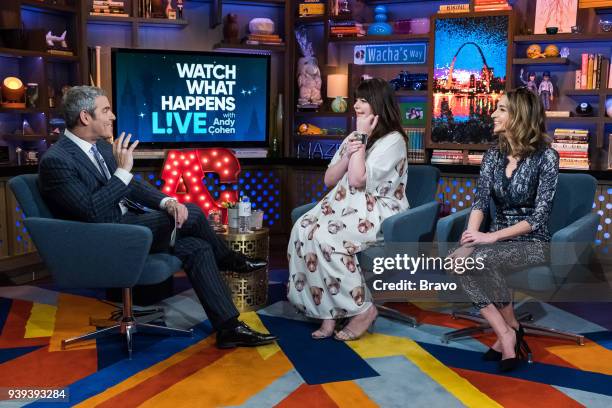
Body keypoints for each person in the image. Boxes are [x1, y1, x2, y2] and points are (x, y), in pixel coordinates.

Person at [38, 86, 277, 349]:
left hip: (126, 228)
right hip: (102, 238)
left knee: (197, 247)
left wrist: (168, 201)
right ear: (85, 117)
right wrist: (123, 172)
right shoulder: (56, 160)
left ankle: (229, 328)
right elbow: (91, 211)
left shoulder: (101, 149)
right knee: (195, 213)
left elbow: (131, 185)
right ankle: (231, 260)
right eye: (106, 110)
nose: (113, 116)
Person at [287, 78, 409, 341]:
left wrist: (362, 141)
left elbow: (357, 180)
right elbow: (330, 179)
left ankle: (363, 309)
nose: (355, 105)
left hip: (377, 210)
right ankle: (327, 312)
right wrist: (348, 151)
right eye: (356, 99)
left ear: (377, 104)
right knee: (303, 229)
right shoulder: (354, 137)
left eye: (363, 100)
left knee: (326, 238)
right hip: (345, 204)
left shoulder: (393, 141)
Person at [448, 87, 559, 372]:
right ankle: (507, 330)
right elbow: (480, 202)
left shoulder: (547, 158)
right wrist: (470, 240)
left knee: (483, 260)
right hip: (494, 237)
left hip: (532, 240)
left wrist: (490, 237)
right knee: (456, 260)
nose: (493, 114)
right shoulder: (493, 157)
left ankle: (507, 335)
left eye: (501, 109)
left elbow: (539, 218)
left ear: (519, 116)